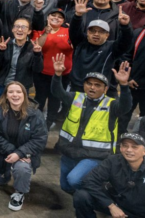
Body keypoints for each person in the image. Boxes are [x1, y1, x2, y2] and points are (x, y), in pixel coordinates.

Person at [51, 56, 133, 194]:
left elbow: (126, 106)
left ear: (105, 89)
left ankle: (99, 193)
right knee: (66, 186)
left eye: (97, 85)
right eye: (89, 84)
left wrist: (123, 85)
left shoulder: (112, 105)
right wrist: (57, 75)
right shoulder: (76, 97)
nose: (92, 87)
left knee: (74, 180)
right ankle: (84, 196)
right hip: (70, 151)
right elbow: (57, 92)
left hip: (95, 155)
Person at [73, 133, 145, 218]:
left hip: (141, 214)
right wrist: (111, 205)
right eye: (125, 146)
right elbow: (89, 181)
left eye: (134, 147)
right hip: (117, 206)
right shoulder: (113, 161)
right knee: (82, 196)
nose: (129, 150)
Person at [0, 81, 48, 211]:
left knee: (22, 168)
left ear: (24, 95)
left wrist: (20, 154)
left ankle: (19, 193)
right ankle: (3, 169)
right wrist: (14, 152)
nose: (15, 95)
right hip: (2, 152)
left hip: (25, 155)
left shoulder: (35, 114)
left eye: (18, 92)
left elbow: (40, 139)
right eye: (11, 92)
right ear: (6, 95)